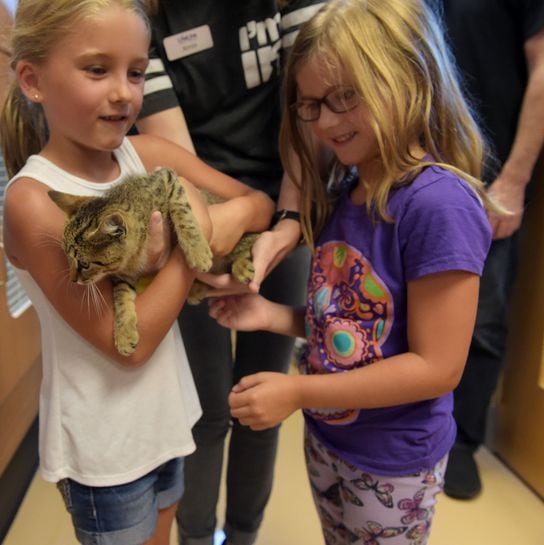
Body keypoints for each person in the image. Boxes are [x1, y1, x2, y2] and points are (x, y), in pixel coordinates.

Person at [207, 0, 499, 542]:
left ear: (407, 78)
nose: (327, 122)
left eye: (345, 97)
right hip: (331, 440)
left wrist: (297, 394)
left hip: (391, 463)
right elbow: (360, 330)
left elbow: (437, 366)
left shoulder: (438, 206)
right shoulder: (347, 190)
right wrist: (271, 315)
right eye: (312, 105)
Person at [0, 1, 274, 544]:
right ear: (33, 80)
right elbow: (130, 344)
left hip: (167, 418)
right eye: (97, 70)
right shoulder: (33, 202)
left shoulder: (146, 155)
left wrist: (212, 216)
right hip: (105, 451)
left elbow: (259, 204)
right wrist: (186, 239)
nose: (124, 92)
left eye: (137, 71)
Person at [135, 2, 325, 544]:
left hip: (288, 207)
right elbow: (177, 159)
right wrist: (218, 247)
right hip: (200, 216)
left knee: (261, 403)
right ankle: (198, 537)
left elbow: (306, 117)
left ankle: (243, 535)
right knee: (207, 410)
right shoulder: (147, 16)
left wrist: (284, 224)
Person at [437, 0, 544, 500]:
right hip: (416, 165)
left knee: (483, 316)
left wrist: (515, 180)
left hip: (492, 174)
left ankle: (459, 440)